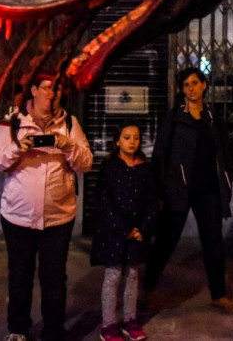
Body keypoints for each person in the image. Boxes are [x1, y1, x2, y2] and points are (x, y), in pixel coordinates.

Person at [0, 73, 93, 341]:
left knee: (54, 279)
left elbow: (86, 163)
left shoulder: (69, 123)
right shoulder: (11, 124)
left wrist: (68, 146)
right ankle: (18, 329)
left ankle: (53, 331)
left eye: (55, 91)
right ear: (33, 90)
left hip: (58, 218)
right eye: (45, 89)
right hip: (18, 217)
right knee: (20, 276)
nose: (51, 95)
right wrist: (17, 149)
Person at [142, 67, 233, 315]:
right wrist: (161, 192)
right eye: (186, 85)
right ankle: (146, 291)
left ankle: (219, 295)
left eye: (194, 83)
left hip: (208, 191)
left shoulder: (213, 116)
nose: (190, 89)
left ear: (204, 85)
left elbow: (226, 148)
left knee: (213, 244)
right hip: (178, 190)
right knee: (166, 242)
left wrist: (227, 176)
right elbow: (160, 155)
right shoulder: (175, 117)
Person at [91, 124, 157, 341]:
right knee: (113, 276)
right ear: (117, 141)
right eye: (127, 137)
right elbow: (103, 202)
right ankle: (108, 325)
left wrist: (143, 229)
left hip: (137, 234)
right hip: (114, 234)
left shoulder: (145, 169)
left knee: (132, 275)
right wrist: (124, 229)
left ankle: (130, 320)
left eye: (136, 138)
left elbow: (152, 202)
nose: (132, 141)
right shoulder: (110, 167)